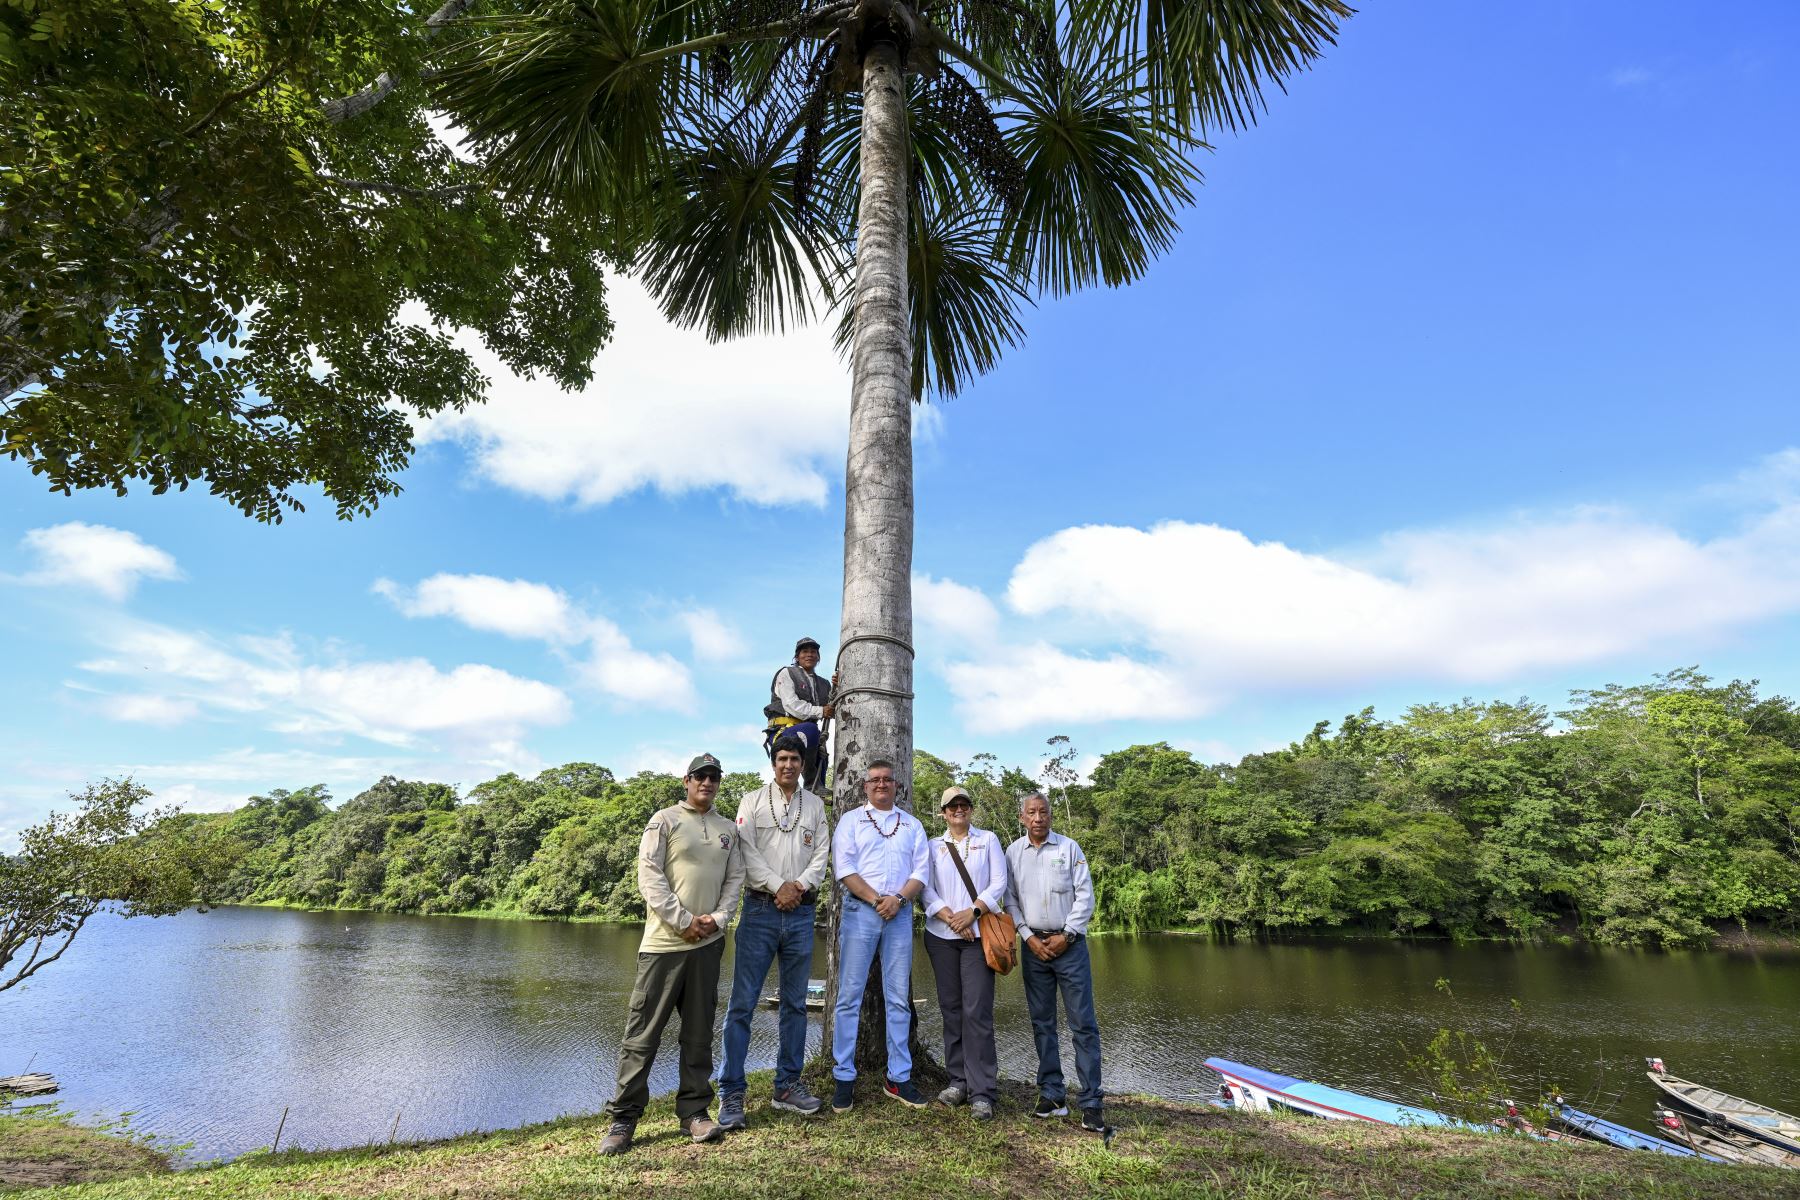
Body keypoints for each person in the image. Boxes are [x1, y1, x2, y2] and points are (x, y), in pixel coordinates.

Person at [597, 753, 746, 1157]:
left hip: (708, 946)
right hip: (663, 946)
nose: (707, 783)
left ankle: (695, 1113)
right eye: (700, 776)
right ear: (686, 780)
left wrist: (717, 919)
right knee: (641, 1037)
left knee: (698, 1036)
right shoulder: (663, 820)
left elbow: (735, 881)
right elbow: (649, 874)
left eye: (714, 777)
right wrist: (682, 920)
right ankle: (623, 1119)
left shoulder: (728, 829)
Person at [716, 735, 833, 1127]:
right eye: (782, 758)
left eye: (795, 759)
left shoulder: (814, 805)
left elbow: (821, 854)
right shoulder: (751, 801)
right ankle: (731, 1093)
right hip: (760, 910)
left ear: (804, 764)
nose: (788, 764)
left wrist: (797, 886)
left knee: (796, 1004)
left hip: (801, 912)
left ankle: (787, 1085)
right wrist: (776, 886)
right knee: (742, 1004)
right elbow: (745, 851)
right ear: (773, 761)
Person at [829, 759, 930, 1113]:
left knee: (898, 998)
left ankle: (898, 1076)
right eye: (875, 780)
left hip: (900, 914)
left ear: (896, 786)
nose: (882, 784)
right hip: (861, 911)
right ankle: (844, 1077)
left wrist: (899, 899)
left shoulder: (912, 825)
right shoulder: (851, 821)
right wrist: (876, 900)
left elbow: (921, 871)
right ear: (865, 787)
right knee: (849, 997)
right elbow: (844, 868)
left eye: (888, 779)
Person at [1005, 790, 1105, 1133]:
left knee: (1083, 1026)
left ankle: (1091, 1103)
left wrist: (1068, 935)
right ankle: (1052, 1094)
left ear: (1050, 815)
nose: (1037, 818)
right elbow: (1010, 899)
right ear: (1022, 818)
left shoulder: (1069, 848)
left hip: (1070, 947)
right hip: (1034, 946)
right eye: (1031, 813)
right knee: (1042, 1023)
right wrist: (1028, 937)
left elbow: (1085, 896)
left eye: (1043, 812)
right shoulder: (1013, 853)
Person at [920, 785, 1008, 1121]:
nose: (958, 810)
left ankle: (982, 1090)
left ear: (970, 809)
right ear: (943, 812)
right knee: (952, 1009)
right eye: (951, 806)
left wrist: (971, 913)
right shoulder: (933, 846)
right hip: (941, 936)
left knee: (977, 1013)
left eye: (964, 805)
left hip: (977, 935)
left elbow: (999, 881)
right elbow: (924, 886)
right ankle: (958, 1080)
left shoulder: (988, 840)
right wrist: (949, 916)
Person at [762, 636, 835, 791]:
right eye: (805, 651)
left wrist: (839, 685)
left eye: (813, 652)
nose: (809, 655)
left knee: (821, 755)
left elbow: (833, 707)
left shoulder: (823, 684)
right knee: (810, 729)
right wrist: (821, 711)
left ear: (818, 657)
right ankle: (810, 784)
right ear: (797, 657)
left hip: (809, 737)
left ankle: (816, 790)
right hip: (785, 731)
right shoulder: (787, 673)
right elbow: (791, 704)